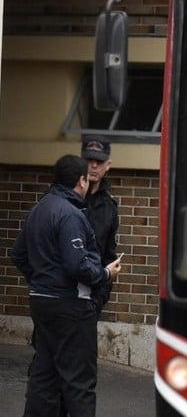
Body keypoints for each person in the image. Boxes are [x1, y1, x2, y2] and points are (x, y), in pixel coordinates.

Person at [11, 154, 122, 417]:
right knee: (79, 381)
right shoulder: (70, 214)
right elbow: (77, 266)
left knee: (44, 375)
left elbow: (18, 254)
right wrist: (106, 274)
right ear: (81, 181)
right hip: (71, 307)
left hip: (41, 302)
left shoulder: (39, 209)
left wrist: (40, 280)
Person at [81, 135, 120, 314]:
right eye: (89, 160)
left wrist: (100, 298)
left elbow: (109, 255)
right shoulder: (63, 198)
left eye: (99, 161)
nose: (94, 165)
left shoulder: (109, 206)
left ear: (108, 165)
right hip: (60, 293)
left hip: (91, 294)